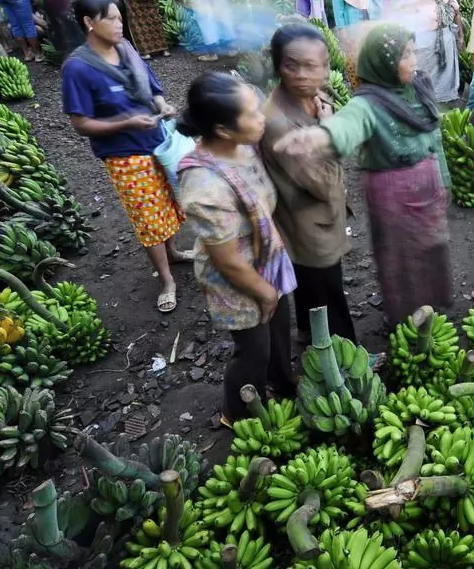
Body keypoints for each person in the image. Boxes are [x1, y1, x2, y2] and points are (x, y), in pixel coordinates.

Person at [273, 24, 453, 327]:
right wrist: (321, 136)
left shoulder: (418, 86)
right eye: (404, 55)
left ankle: (435, 302)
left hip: (427, 182)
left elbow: (434, 137)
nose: (414, 61)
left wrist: (443, 178)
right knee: (401, 256)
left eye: (412, 52)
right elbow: (349, 123)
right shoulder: (369, 102)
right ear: (383, 64)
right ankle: (405, 318)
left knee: (433, 246)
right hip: (392, 192)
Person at [176, 72, 297, 424]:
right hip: (236, 277)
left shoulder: (242, 146)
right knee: (253, 350)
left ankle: (282, 383)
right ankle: (238, 413)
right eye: (253, 113)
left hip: (265, 259)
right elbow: (227, 261)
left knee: (278, 331)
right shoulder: (204, 187)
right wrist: (264, 292)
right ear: (224, 129)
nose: (262, 117)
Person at [61, 0, 189, 313]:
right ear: (89, 23)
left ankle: (173, 251)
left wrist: (162, 106)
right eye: (111, 19)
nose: (120, 25)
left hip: (157, 141)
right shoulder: (77, 68)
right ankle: (166, 279)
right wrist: (126, 122)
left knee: (169, 201)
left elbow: (153, 88)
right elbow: (81, 123)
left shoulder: (127, 50)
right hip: (124, 154)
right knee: (147, 216)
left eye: (120, 18)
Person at [259, 25, 355, 344]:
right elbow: (325, 186)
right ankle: (345, 356)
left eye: (311, 66)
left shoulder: (311, 97)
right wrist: (328, 132)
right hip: (308, 224)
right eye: (291, 65)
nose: (302, 75)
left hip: (305, 220)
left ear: (326, 67)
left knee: (311, 287)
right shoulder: (278, 123)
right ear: (278, 66)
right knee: (328, 293)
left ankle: (306, 332)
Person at [405, 0, 461, 102]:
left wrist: (460, 37)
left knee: (445, 71)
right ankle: (427, 99)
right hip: (424, 41)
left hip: (445, 37)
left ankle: (444, 99)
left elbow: (456, 13)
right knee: (426, 71)